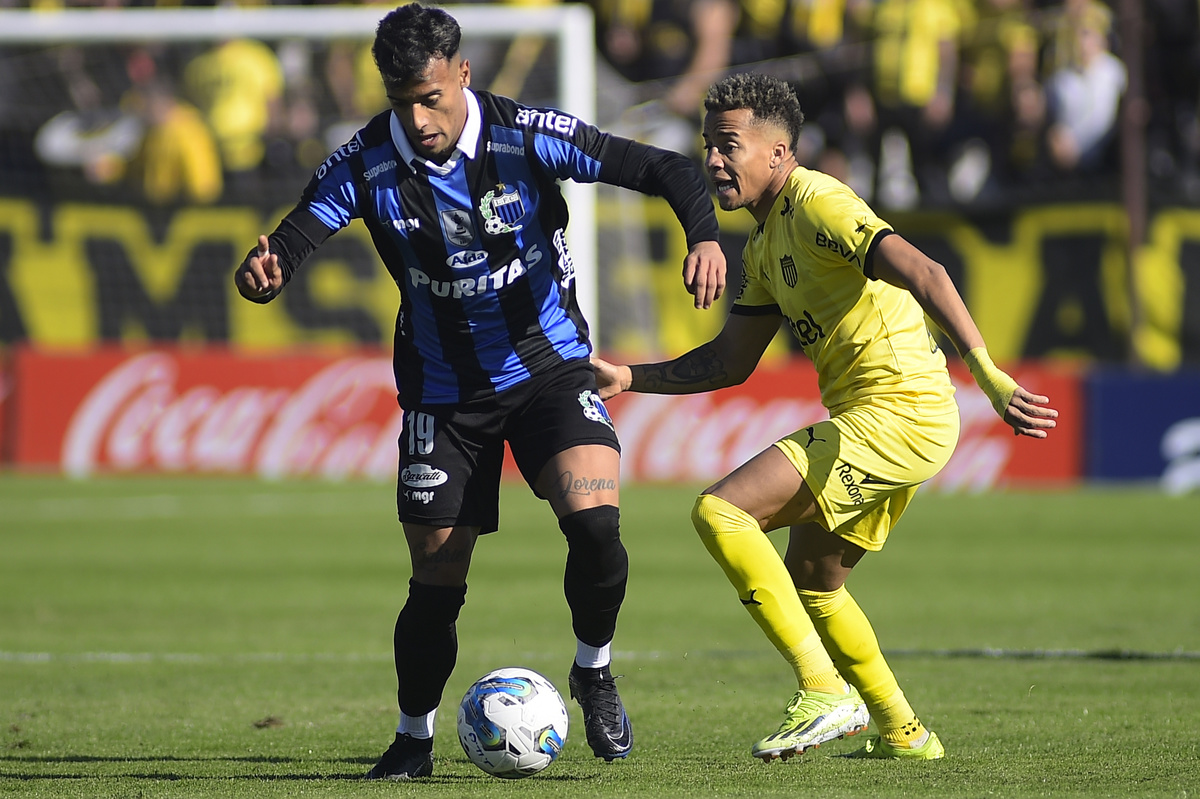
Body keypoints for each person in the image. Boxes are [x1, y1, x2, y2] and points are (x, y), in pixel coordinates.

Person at [233, 2, 726, 780]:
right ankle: (412, 738)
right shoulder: (364, 161)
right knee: (437, 574)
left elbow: (661, 166)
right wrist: (265, 273)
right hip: (442, 393)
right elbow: (294, 236)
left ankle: (593, 668)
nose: (420, 118)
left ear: (462, 74)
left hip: (550, 368)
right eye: (403, 102)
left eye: (431, 97)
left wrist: (703, 233)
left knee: (596, 525)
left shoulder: (522, 133)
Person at [593, 73, 1057, 762]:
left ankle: (823, 689)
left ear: (778, 154)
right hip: (892, 417)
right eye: (707, 146)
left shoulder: (817, 202)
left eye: (729, 146)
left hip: (900, 409)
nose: (713, 161)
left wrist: (986, 373)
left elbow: (924, 270)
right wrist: (631, 376)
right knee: (816, 579)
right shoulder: (762, 246)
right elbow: (730, 361)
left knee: (722, 512)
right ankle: (905, 732)